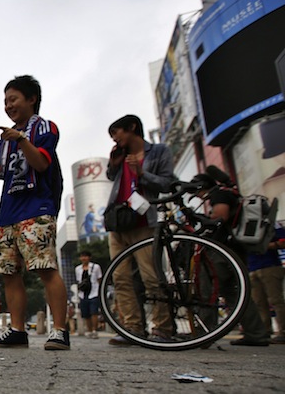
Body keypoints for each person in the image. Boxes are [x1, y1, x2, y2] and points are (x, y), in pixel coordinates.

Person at [0, 75, 69, 350]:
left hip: (37, 207)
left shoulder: (44, 127)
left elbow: (41, 164)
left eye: (13, 99)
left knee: (45, 268)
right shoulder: (7, 137)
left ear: (32, 99)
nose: (8, 105)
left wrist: (21, 140)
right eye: (5, 101)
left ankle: (60, 331)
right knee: (8, 272)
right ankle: (17, 331)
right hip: (8, 212)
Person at [105, 114, 176, 345]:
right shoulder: (120, 156)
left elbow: (168, 183)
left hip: (144, 221)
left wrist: (142, 174)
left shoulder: (158, 151)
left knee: (152, 276)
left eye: (117, 132)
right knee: (121, 277)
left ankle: (162, 328)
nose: (115, 138)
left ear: (132, 127)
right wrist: (114, 164)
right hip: (119, 221)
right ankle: (132, 327)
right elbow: (111, 178)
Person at [190, 169, 270, 346]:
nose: (197, 195)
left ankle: (204, 334)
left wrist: (199, 218)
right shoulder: (230, 193)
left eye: (197, 191)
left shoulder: (219, 195)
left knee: (209, 290)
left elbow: (220, 216)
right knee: (235, 293)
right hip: (234, 250)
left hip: (223, 251)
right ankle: (256, 334)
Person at [247, 225, 285, 343]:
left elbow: (283, 241)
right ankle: (264, 330)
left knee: (276, 300)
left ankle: (283, 331)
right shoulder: (246, 228)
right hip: (252, 267)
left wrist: (267, 246)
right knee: (259, 302)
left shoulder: (271, 225)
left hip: (270, 266)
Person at [74, 250, 102, 339]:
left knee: (94, 312)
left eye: (85, 256)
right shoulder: (78, 269)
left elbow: (99, 279)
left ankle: (94, 330)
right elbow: (79, 281)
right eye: (82, 256)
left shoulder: (95, 267)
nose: (83, 258)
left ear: (89, 257)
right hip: (83, 293)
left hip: (94, 291)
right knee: (85, 313)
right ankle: (89, 330)